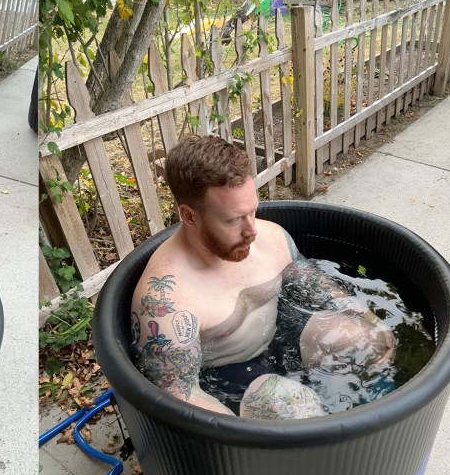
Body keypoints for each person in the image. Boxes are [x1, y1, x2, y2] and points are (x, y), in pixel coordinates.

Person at [129, 134, 395, 419]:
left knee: (368, 339)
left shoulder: (271, 238)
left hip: (281, 338)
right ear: (190, 217)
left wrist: (368, 318)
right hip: (224, 378)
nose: (252, 230)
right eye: (233, 220)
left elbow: (315, 285)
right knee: (295, 407)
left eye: (252, 211)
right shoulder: (166, 302)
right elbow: (180, 396)